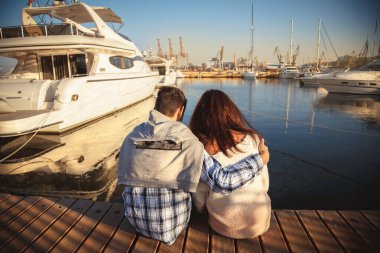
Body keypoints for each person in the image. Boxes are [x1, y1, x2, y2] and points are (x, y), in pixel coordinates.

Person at [118, 86, 269, 245]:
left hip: (135, 220)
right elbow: (223, 182)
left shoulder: (132, 136)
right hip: (173, 225)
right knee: (193, 179)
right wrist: (260, 160)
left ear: (155, 107)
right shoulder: (187, 140)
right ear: (180, 110)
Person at [190, 89, 271, 239]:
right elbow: (264, 184)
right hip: (260, 222)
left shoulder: (204, 150)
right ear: (232, 112)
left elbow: (200, 198)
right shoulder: (254, 139)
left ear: (201, 117)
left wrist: (201, 210)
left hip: (224, 226)